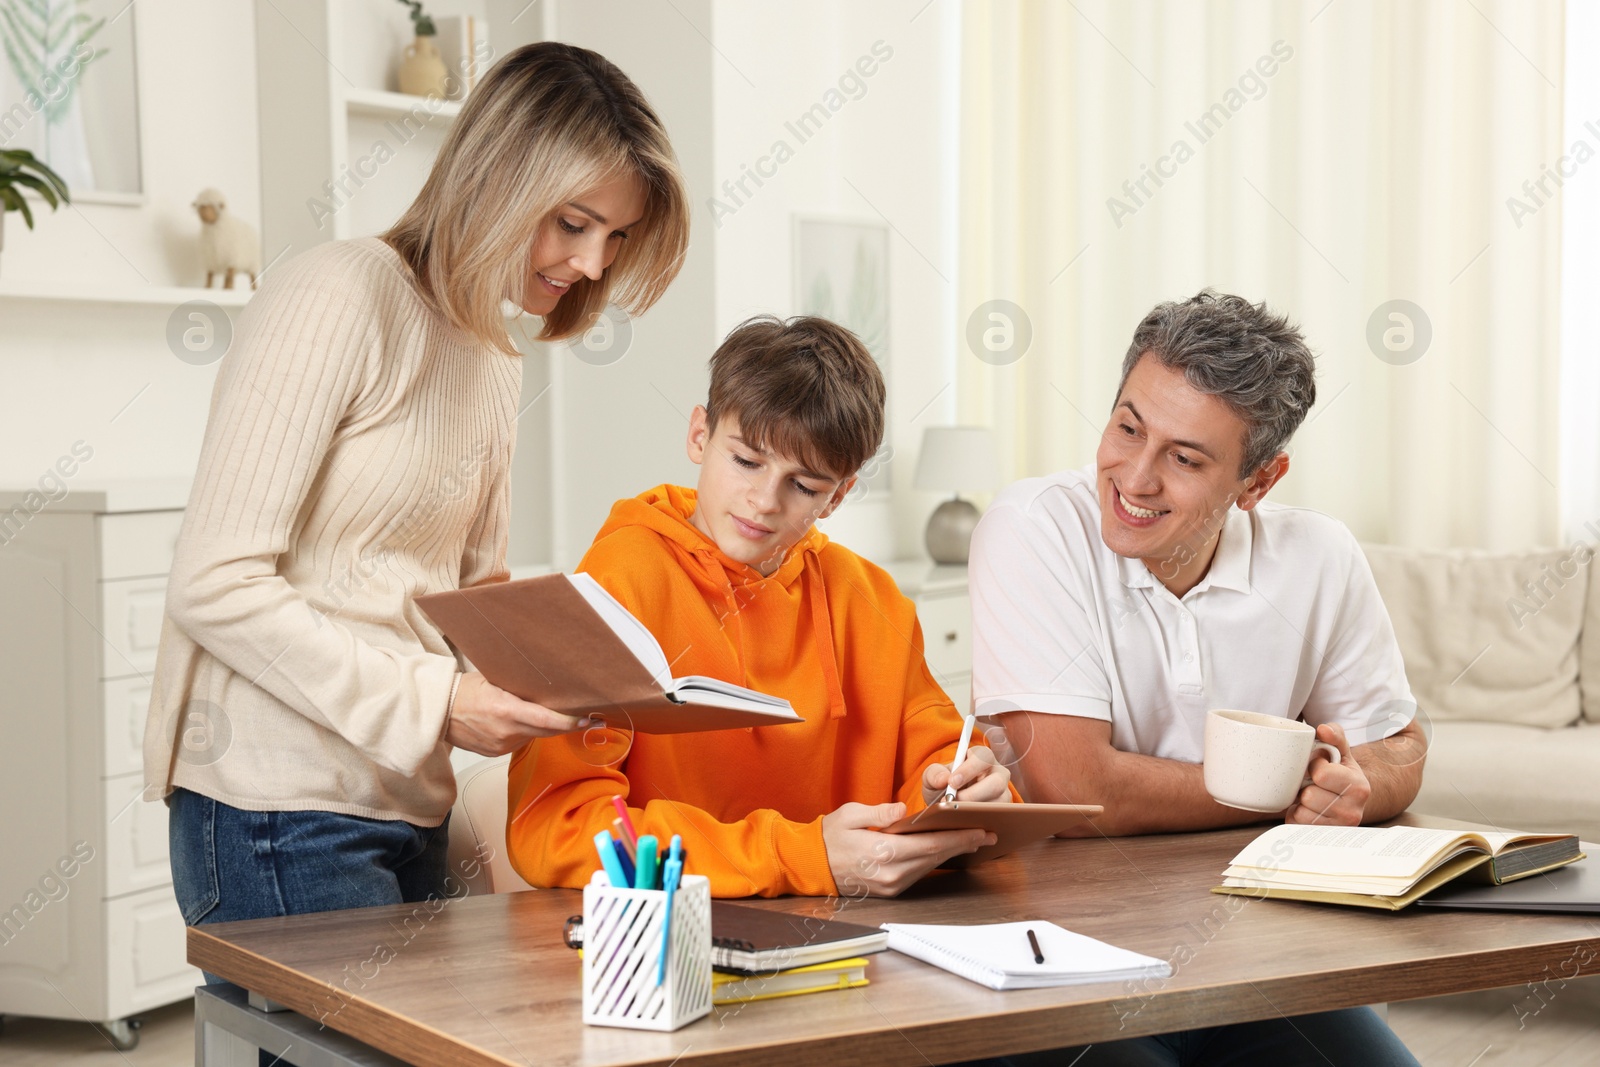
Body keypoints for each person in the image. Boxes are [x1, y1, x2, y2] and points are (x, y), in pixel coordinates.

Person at [145, 41, 692, 988]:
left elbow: (467, 593)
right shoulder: (338, 295)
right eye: (573, 222)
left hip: (407, 798)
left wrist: (572, 673)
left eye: (616, 238)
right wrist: (439, 701)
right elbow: (214, 581)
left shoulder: (493, 353)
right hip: (279, 805)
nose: (590, 262)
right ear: (497, 176)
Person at [966, 291, 1425, 1065]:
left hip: (1260, 961)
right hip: (1065, 963)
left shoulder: (1321, 555)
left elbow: (1400, 747)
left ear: (1258, 481)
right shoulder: (1033, 527)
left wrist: (1353, 785)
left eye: (1184, 458)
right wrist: (1282, 786)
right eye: (1127, 427)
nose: (1134, 477)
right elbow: (1073, 790)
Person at [507, 315, 1016, 899]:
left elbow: (939, 768)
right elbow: (555, 827)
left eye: (804, 486)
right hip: (666, 946)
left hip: (852, 937)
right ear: (699, 435)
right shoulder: (619, 580)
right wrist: (799, 854)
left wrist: (959, 797)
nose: (764, 501)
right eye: (746, 461)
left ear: (838, 495)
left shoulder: (871, 599)